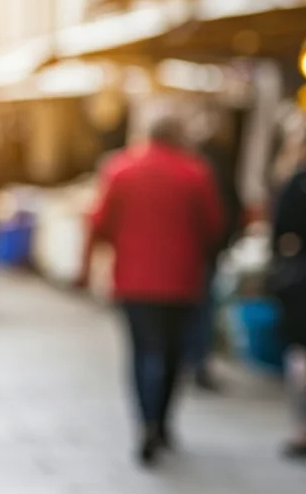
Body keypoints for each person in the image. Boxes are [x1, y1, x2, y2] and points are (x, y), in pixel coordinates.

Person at [78, 115, 223, 467]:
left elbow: (98, 222)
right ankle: (162, 420)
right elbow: (213, 225)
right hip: (181, 279)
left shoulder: (121, 169)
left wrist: (85, 267)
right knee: (173, 353)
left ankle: (146, 421)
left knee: (143, 351)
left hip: (134, 279)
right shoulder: (195, 172)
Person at [188, 117, 243, 392]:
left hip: (192, 255)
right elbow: (220, 216)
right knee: (201, 309)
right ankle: (197, 361)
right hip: (202, 253)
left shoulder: (199, 173)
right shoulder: (205, 172)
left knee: (196, 310)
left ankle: (191, 360)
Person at [269, 135, 306, 459]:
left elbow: (280, 232)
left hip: (300, 281)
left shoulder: (296, 182)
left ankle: (301, 429)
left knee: (300, 355)